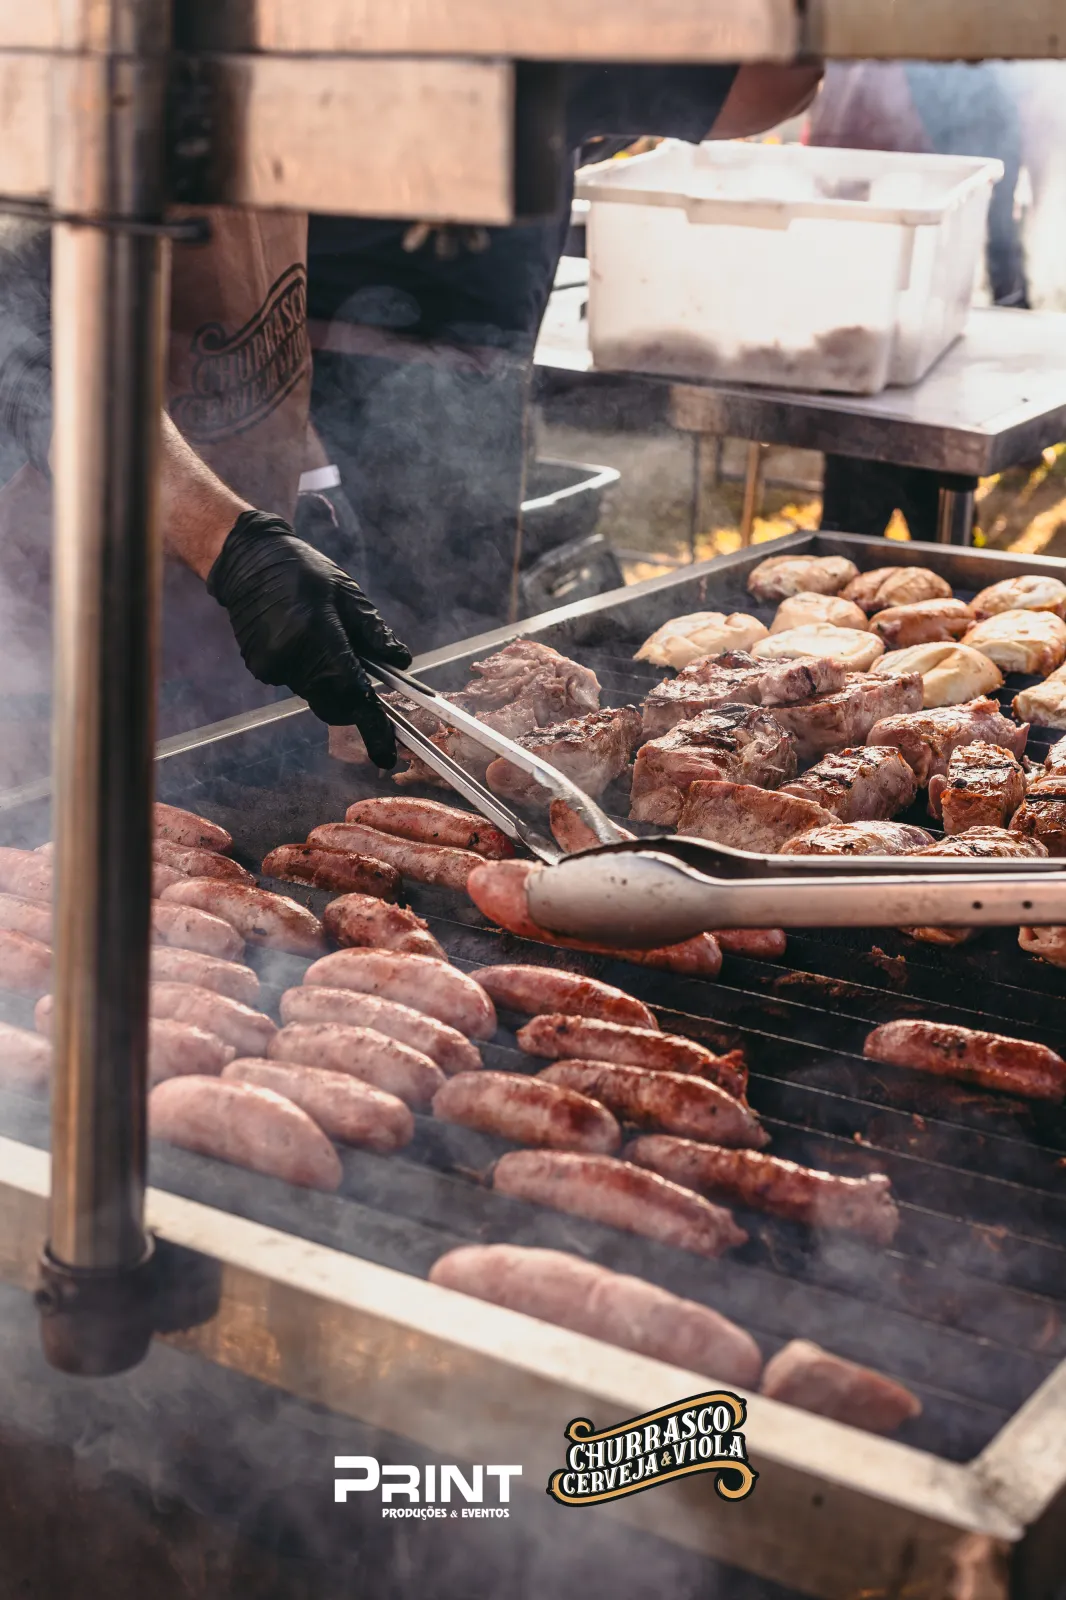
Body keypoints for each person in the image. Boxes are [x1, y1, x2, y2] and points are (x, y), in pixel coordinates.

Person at [0, 62, 821, 784]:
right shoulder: (61, 49)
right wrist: (231, 540)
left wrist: (302, 465)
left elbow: (238, 300)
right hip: (53, 607)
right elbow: (30, 345)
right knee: (54, 850)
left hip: (207, 585)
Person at [807, 61, 1028, 540]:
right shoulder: (859, 59)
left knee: (918, 523)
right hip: (860, 327)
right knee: (857, 528)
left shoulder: (949, 63)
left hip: (925, 334)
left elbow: (993, 180)